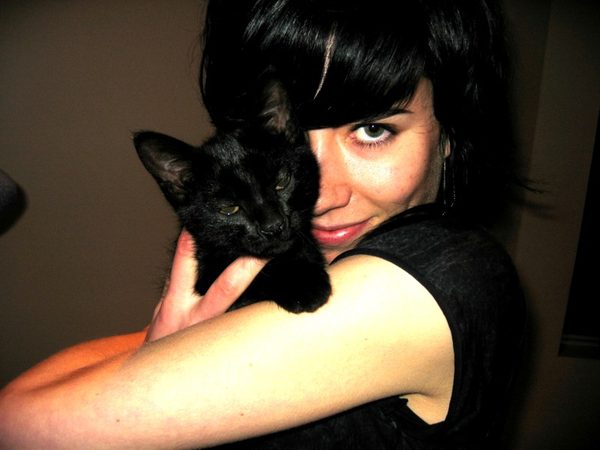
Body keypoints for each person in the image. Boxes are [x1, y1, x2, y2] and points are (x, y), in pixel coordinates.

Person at [0, 0, 526, 448]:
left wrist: (157, 353)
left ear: (450, 131)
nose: (321, 195)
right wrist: (159, 348)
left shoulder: (428, 285)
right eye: (296, 137)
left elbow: (16, 420)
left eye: (372, 129)